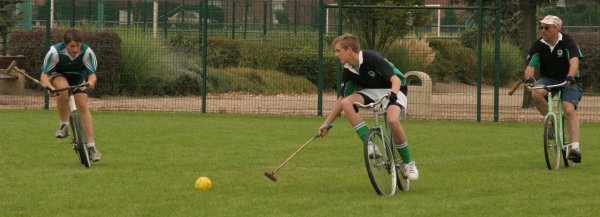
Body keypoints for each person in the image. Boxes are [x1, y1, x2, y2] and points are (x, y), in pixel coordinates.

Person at [317, 33, 418, 180]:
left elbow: (395, 79)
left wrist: (393, 95)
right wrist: (327, 124)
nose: (336, 54)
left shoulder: (372, 58)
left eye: (338, 50)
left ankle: (409, 163)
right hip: (372, 92)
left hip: (394, 88)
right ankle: (370, 144)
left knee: (392, 120)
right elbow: (342, 99)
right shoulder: (348, 70)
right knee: (346, 103)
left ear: (349, 50)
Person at [523, 15, 584, 163]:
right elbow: (530, 67)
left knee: (568, 109)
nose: (543, 30)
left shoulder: (569, 42)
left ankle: (575, 148)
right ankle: (551, 123)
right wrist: (530, 79)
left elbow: (574, 62)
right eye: (541, 27)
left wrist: (570, 76)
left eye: (547, 27)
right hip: (549, 78)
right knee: (536, 92)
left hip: (569, 79)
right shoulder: (538, 45)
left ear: (557, 29)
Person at [40, 28, 101, 161]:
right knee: (63, 89)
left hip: (78, 76)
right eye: (71, 46)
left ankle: (91, 147)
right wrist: (50, 87)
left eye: (77, 46)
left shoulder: (87, 52)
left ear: (81, 43)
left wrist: (90, 82)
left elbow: (92, 75)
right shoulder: (55, 52)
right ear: (65, 44)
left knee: (82, 105)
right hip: (58, 75)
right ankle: (63, 125)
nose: (75, 49)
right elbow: (44, 75)